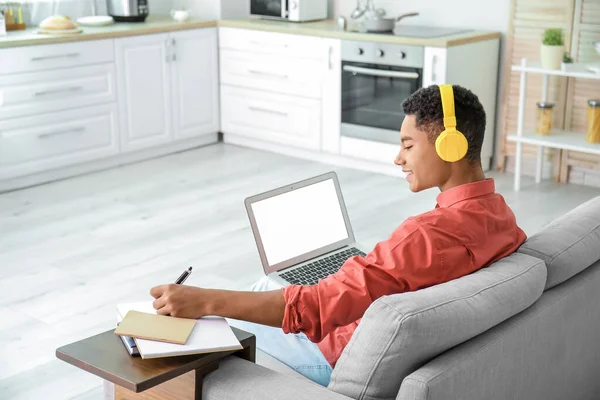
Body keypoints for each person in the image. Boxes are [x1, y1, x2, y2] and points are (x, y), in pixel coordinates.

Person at [149, 84, 527, 387]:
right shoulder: (500, 217)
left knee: (214, 320)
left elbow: (311, 309)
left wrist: (203, 301)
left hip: (333, 356)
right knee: (265, 281)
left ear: (451, 145)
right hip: (386, 337)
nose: (399, 158)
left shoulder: (425, 236)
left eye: (408, 145)